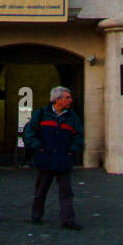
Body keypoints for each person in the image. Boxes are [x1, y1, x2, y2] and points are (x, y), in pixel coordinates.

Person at [23, 86, 84, 230]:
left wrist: (72, 151)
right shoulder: (42, 114)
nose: (71, 100)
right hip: (46, 158)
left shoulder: (72, 117)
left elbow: (78, 136)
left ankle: (68, 220)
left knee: (66, 192)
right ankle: (36, 215)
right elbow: (29, 132)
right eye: (67, 98)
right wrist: (38, 147)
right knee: (41, 190)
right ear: (58, 100)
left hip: (63, 159)